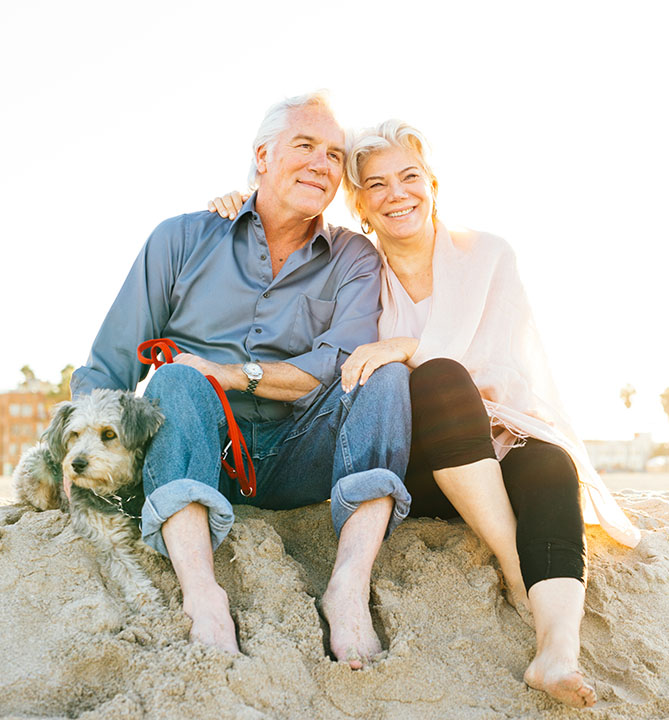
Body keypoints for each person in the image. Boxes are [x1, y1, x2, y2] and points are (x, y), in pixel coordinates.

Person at [211, 120, 640, 708]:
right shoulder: (355, 273)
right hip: (421, 464)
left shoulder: (487, 254)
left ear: (433, 185)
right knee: (434, 384)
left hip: (500, 438)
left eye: (409, 177)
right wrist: (238, 204)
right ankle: (518, 569)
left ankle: (557, 651)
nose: (396, 194)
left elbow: (482, 359)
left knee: (549, 469)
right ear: (359, 203)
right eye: (377, 184)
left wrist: (400, 347)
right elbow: (281, 238)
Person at [73, 93, 411, 669]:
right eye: (304, 145)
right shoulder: (181, 239)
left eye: (333, 154)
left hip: (301, 452)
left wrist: (233, 374)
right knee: (178, 378)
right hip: (199, 450)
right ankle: (203, 594)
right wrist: (77, 447)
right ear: (262, 155)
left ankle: (348, 589)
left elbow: (338, 366)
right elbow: (110, 364)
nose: (321, 163)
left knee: (384, 374)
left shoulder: (354, 257)